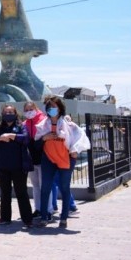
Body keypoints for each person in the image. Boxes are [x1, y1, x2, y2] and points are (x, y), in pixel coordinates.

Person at [34, 96, 90, 229]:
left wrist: (75, 150)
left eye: (54, 107)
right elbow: (36, 144)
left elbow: (80, 137)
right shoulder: (42, 125)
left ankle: (64, 218)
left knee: (64, 187)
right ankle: (44, 217)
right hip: (48, 158)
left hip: (65, 158)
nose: (52, 110)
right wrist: (44, 138)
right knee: (45, 187)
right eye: (49, 107)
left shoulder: (69, 124)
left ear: (60, 108)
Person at [0, 105, 33, 227]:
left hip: (19, 167)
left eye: (11, 112)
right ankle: (5, 218)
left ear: (15, 113)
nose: (8, 114)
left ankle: (27, 219)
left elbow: (26, 139)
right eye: (6, 112)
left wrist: (13, 136)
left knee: (21, 193)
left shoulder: (21, 126)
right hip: (2, 167)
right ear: (2, 114)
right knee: (5, 193)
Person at [23, 101, 52, 218]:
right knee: (35, 185)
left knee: (44, 186)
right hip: (31, 158)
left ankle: (48, 210)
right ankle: (38, 209)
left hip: (44, 157)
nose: (29, 112)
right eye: (26, 110)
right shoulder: (25, 123)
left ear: (36, 108)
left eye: (31, 109)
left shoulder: (44, 120)